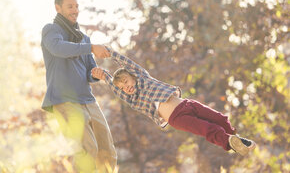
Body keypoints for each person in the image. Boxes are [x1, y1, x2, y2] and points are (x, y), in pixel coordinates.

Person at [91, 46, 256, 156]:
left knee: (220, 119)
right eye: (122, 87)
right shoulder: (134, 99)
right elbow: (113, 86)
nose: (125, 87)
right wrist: (104, 75)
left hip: (187, 104)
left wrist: (109, 52)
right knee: (208, 128)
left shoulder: (142, 76)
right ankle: (228, 141)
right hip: (177, 118)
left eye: (126, 82)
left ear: (133, 76)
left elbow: (126, 62)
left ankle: (237, 141)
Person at [40, 0, 119, 173]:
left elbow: (88, 71)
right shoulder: (51, 30)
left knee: (107, 152)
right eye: (70, 6)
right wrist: (91, 47)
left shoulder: (83, 38)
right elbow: (59, 49)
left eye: (76, 6)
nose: (75, 10)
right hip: (64, 101)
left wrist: (95, 74)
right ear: (58, 8)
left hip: (88, 100)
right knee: (88, 153)